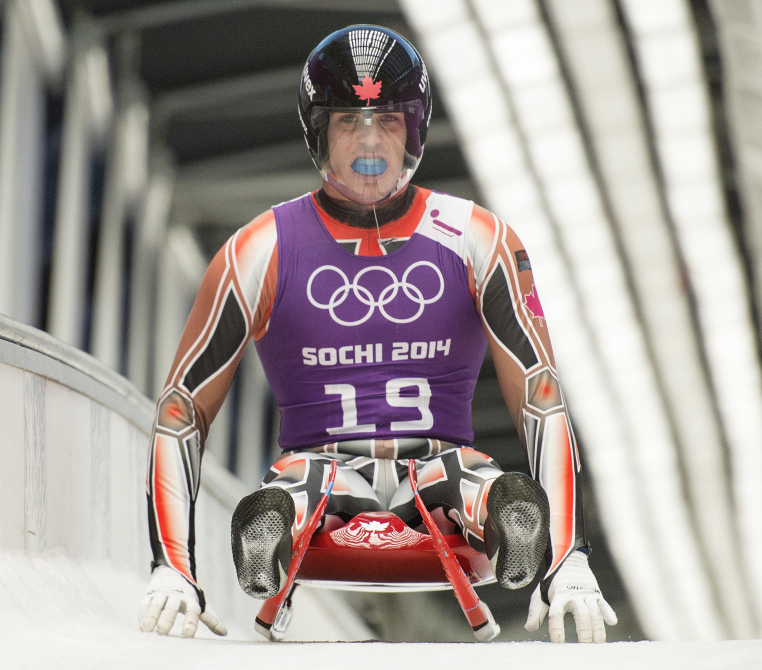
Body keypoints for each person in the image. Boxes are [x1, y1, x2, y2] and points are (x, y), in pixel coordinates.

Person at [138, 24, 617, 644]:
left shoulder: (479, 240)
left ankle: (500, 513)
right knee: (455, 483)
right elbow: (183, 409)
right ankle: (292, 520)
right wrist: (173, 567)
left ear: (414, 129)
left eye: (388, 120)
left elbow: (539, 393)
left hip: (372, 471)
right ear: (319, 131)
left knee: (420, 487)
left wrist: (566, 556)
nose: (369, 140)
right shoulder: (259, 251)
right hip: (384, 473)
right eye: (348, 121)